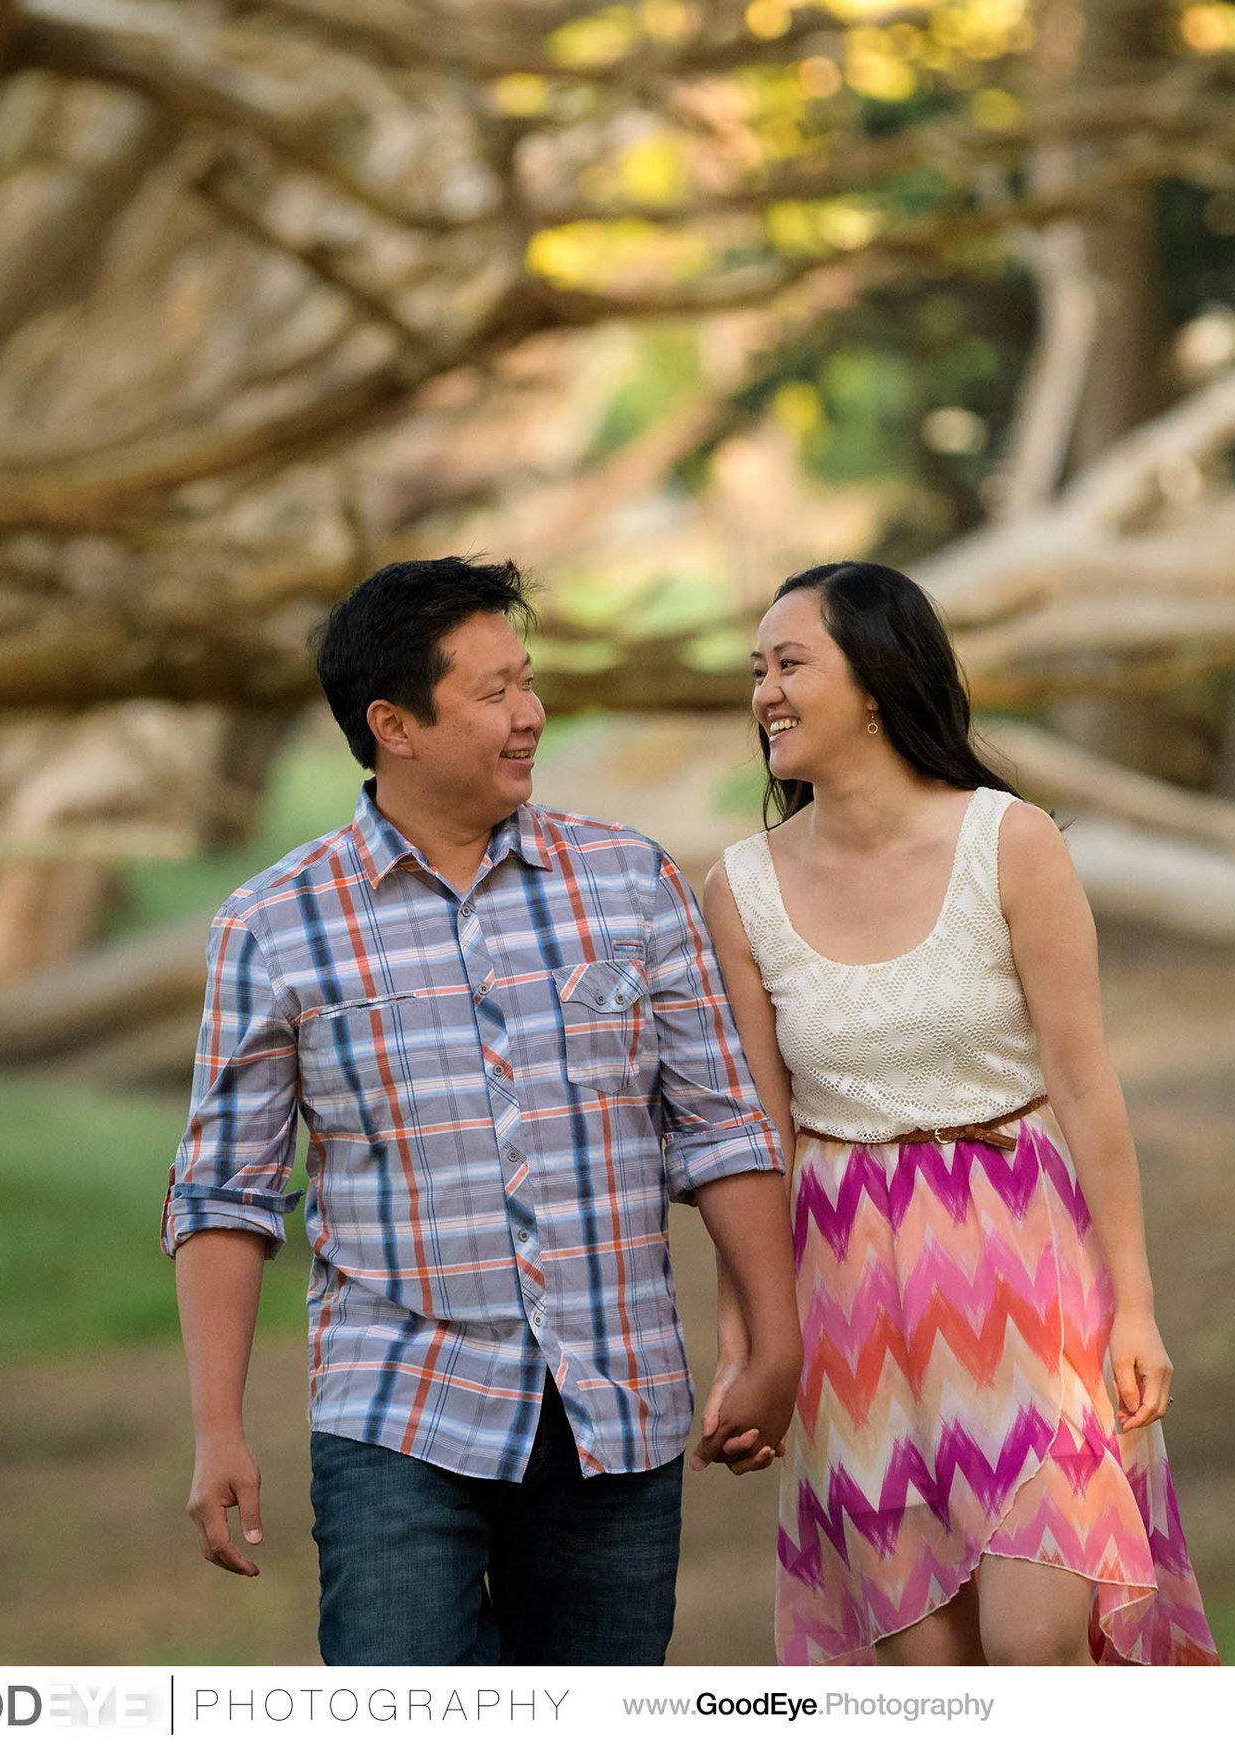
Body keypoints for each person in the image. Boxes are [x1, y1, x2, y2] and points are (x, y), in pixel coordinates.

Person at [161, 556, 803, 1666]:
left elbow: (720, 1127)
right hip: (397, 1414)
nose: (530, 714)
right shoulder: (272, 927)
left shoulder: (629, 882)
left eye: (529, 681)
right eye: (494, 691)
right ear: (392, 724)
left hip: (617, 1407)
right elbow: (226, 1190)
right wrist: (218, 1425)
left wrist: (776, 1336)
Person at [696, 560, 1220, 1667]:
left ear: (877, 683)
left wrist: (1135, 1304)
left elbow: (1085, 1084)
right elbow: (753, 1138)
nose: (764, 695)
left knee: (1038, 1649)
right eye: (757, 672)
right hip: (845, 1296)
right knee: (928, 1680)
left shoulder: (1010, 841)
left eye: (790, 664)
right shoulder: (737, 889)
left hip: (1027, 1278)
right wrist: (747, 1338)